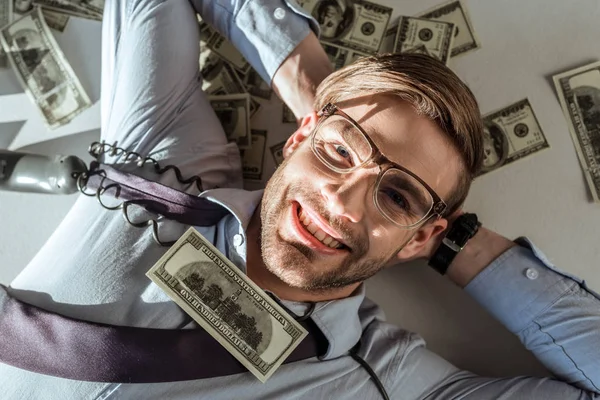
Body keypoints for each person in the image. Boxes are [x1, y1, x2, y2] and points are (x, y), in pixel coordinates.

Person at [1, 0, 599, 399]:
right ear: (300, 134)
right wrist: (305, 77)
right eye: (341, 152)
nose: (343, 202)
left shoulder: (392, 380)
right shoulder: (162, 155)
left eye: (396, 196)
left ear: (419, 237)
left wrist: (466, 248)